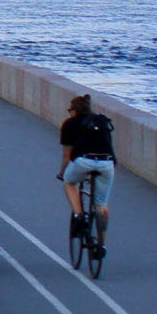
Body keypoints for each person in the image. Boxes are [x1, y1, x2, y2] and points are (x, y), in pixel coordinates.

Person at [59, 91, 117, 233]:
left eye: (69, 110)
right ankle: (101, 243)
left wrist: (61, 173)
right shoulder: (101, 121)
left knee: (69, 182)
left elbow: (67, 155)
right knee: (101, 204)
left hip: (83, 161)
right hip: (107, 163)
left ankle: (79, 216)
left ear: (74, 111)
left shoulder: (69, 124)